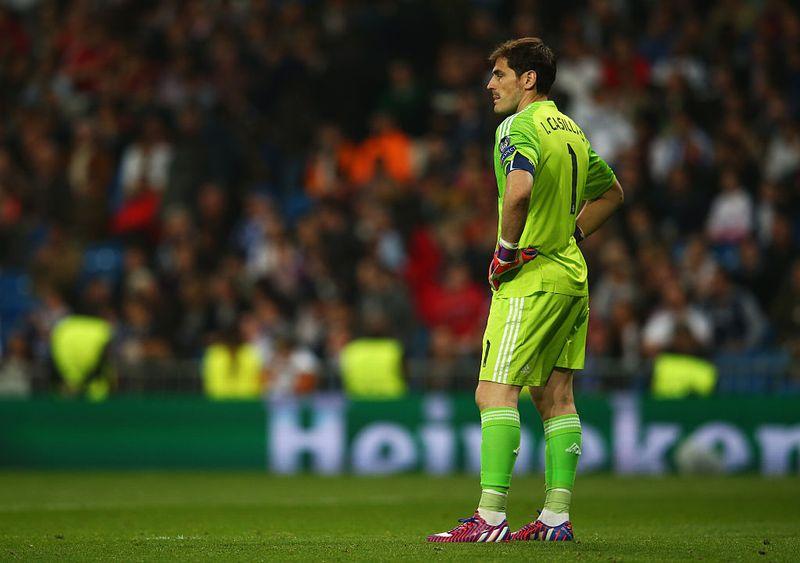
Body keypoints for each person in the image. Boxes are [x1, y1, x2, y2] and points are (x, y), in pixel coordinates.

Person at [427, 37, 623, 543]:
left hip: (531, 279)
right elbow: (612, 193)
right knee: (556, 396)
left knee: (493, 391)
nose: (489, 84)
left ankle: (490, 517)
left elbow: (519, 191)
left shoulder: (518, 126)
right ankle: (556, 518)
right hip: (572, 276)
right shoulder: (571, 130)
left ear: (528, 79)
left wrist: (504, 251)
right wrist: (571, 234)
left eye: (499, 74)